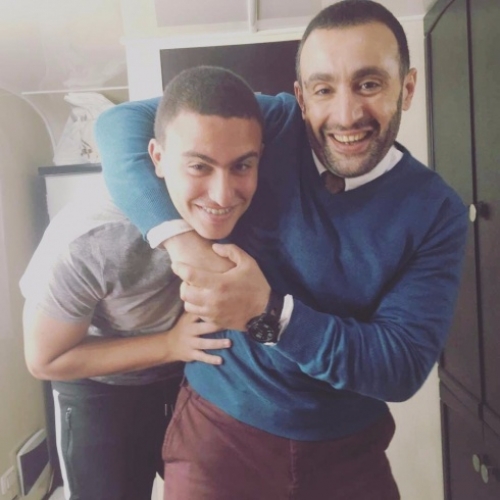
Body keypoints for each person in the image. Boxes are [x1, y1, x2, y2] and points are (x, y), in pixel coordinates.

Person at [95, 1, 468, 499]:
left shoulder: (435, 211)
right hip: (218, 428)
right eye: (323, 89)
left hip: (347, 449)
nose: (346, 115)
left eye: (369, 84)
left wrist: (268, 313)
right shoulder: (274, 121)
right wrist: (182, 244)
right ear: (300, 97)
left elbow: (399, 366)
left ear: (408, 87)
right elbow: (118, 126)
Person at [20, 66, 264, 500]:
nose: (222, 195)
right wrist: (169, 345)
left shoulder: (254, 204)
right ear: (158, 158)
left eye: (241, 165)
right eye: (199, 166)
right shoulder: (91, 239)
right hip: (100, 388)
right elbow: (45, 359)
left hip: (189, 375)